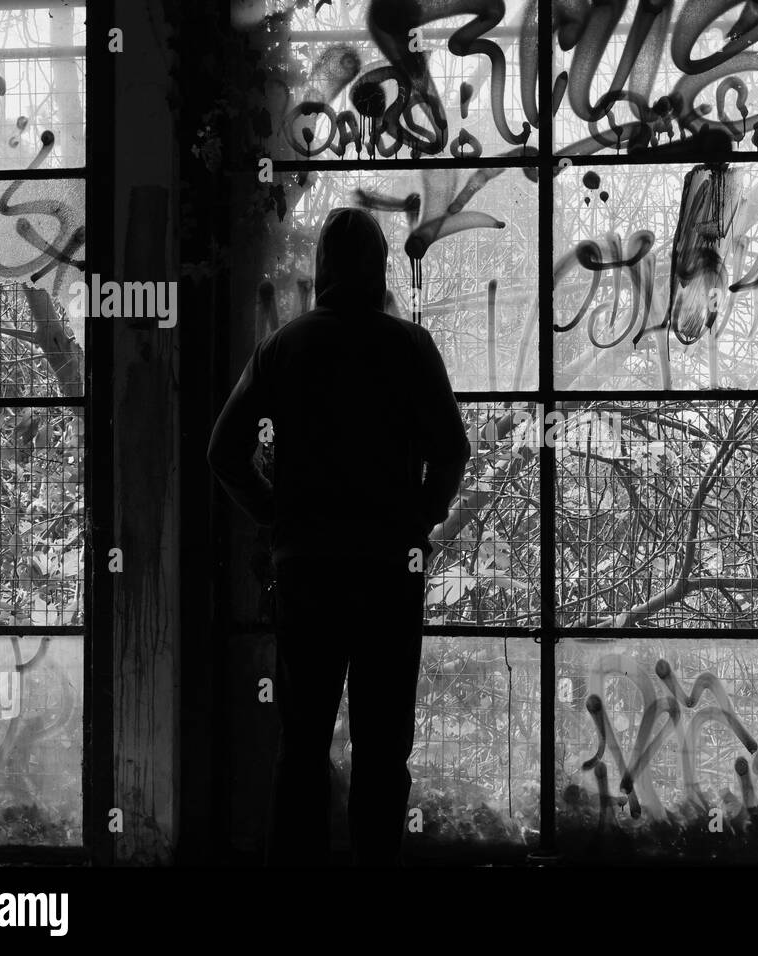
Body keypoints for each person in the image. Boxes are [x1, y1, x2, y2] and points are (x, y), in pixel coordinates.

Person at [207, 207, 470, 866]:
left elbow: (223, 451)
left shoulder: (286, 348)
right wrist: (419, 518)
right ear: (379, 269)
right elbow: (452, 452)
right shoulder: (411, 348)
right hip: (387, 569)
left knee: (301, 747)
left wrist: (275, 515)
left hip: (308, 572)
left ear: (322, 270)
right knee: (383, 750)